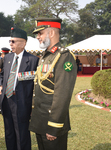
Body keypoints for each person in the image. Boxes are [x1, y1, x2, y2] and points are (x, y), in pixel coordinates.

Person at [29, 18, 77, 150]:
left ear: (51, 33)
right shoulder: (45, 56)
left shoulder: (64, 56)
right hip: (40, 121)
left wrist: (54, 125)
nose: (38, 37)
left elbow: (62, 95)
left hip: (52, 122)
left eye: (40, 33)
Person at [0, 27, 39, 150]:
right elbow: (2, 75)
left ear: (23, 43)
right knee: (9, 132)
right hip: (7, 100)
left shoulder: (33, 60)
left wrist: (33, 105)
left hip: (22, 103)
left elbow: (35, 85)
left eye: (14, 41)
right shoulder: (7, 58)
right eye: (10, 41)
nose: (11, 44)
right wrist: (0, 85)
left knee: (22, 134)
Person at [0, 47, 10, 114]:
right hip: (10, 78)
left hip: (2, 78)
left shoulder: (2, 59)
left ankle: (1, 108)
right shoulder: (11, 58)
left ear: (2, 53)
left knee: (0, 93)